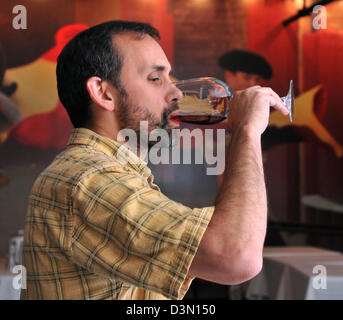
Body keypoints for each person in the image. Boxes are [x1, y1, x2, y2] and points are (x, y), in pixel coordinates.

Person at [21, 20, 289, 300]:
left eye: (170, 78)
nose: (175, 93)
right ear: (103, 93)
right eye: (155, 79)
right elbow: (237, 257)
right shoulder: (88, 179)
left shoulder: (109, 173)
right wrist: (248, 130)